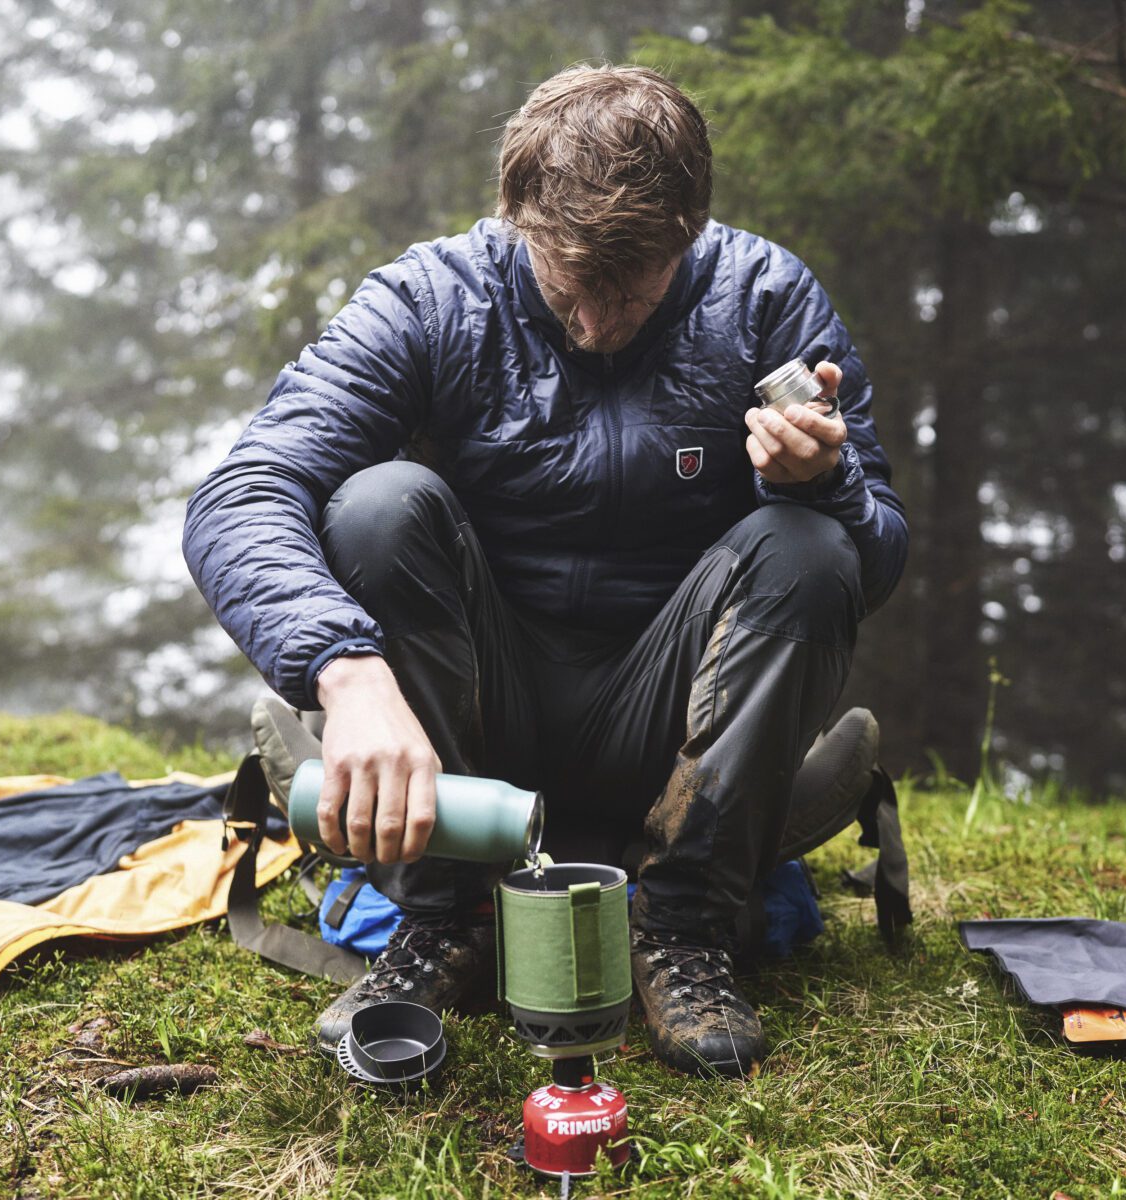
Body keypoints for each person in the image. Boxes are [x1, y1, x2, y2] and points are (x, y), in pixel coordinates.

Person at [184, 64, 907, 1077]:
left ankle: (683, 926)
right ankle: (444, 918)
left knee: (809, 544)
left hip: (674, 718)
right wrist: (344, 673)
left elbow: (872, 558)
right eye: (573, 286)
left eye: (633, 289)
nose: (600, 324)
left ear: (689, 229)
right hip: (483, 715)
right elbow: (239, 495)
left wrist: (824, 483)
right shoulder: (431, 299)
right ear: (517, 214)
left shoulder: (765, 300)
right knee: (378, 507)